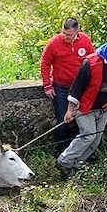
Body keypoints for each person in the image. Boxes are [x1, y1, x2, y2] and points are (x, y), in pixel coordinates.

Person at [56, 41, 107, 173]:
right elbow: (76, 88)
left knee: (96, 139)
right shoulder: (90, 63)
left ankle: (77, 164)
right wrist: (69, 110)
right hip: (85, 107)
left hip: (103, 108)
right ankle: (64, 161)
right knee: (88, 135)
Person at [40, 17, 94, 153]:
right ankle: (61, 151)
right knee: (63, 120)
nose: (65, 37)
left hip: (81, 88)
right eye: (63, 33)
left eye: (68, 34)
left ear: (77, 32)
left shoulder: (85, 41)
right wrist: (47, 85)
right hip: (61, 88)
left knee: (80, 122)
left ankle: (78, 152)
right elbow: (44, 63)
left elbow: (92, 62)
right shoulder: (54, 43)